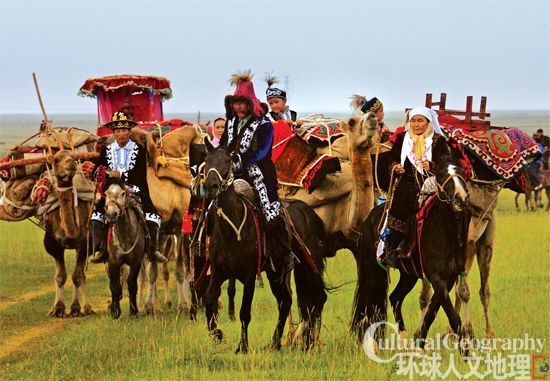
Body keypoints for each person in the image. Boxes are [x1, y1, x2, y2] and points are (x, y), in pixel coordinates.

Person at [219, 70, 293, 271]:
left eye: (242, 102)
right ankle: (205, 247)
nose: (239, 107)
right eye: (236, 102)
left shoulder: (264, 124)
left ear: (250, 103)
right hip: (233, 172)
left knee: (270, 212)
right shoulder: (232, 122)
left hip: (259, 172)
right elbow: (224, 145)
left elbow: (263, 152)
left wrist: (240, 161)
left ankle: (284, 253)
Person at [89, 111, 168, 264]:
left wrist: (121, 175)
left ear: (129, 131)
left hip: (134, 188)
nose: (121, 134)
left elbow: (139, 174)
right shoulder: (107, 150)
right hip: (111, 190)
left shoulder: (139, 150)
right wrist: (104, 172)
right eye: (118, 131)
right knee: (96, 215)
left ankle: (153, 250)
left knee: (154, 216)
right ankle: (101, 250)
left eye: (124, 130)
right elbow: (96, 170)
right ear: (114, 133)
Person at [381, 106, 452, 267]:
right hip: (407, 182)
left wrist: (432, 166)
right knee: (399, 202)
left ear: (428, 122)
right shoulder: (402, 139)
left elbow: (446, 163)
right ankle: (393, 248)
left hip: (432, 183)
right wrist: (394, 166)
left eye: (420, 120)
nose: (416, 124)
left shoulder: (438, 141)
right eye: (412, 120)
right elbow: (391, 158)